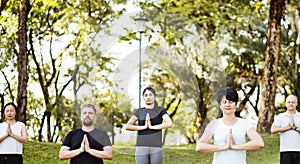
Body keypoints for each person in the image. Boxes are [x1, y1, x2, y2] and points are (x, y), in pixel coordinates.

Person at [195, 88, 264, 164]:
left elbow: (259, 142)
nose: (227, 104)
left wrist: (234, 147)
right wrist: (225, 147)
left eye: (231, 102)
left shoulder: (245, 124)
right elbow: (199, 146)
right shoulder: (213, 125)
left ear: (235, 104)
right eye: (224, 102)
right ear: (220, 105)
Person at [126, 87, 172, 164]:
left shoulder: (160, 110)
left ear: (154, 96)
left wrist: (152, 127)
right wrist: (143, 127)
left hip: (156, 147)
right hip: (141, 147)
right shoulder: (139, 111)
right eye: (146, 95)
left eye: (150, 95)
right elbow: (128, 126)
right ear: (143, 97)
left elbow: (169, 123)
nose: (148, 97)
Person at [271, 94, 300, 164]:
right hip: (285, 150)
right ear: (286, 104)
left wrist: (295, 128)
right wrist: (287, 127)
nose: (291, 104)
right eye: (289, 102)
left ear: (296, 103)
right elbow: (273, 130)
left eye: (293, 102)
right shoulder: (280, 116)